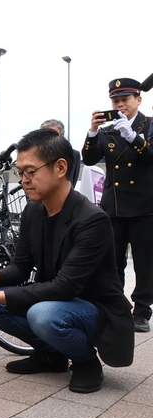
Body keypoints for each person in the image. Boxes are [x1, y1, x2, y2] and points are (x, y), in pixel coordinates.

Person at [0, 128, 134, 394]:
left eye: (31, 171)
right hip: (57, 301)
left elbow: (65, 287)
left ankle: (86, 362)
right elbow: (21, 266)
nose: (24, 180)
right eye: (20, 173)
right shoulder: (33, 210)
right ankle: (51, 355)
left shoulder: (92, 220)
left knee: (42, 314)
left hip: (96, 310)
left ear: (60, 167)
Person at [81, 78, 153, 333]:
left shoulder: (149, 125)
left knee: (145, 263)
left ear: (138, 100)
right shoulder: (108, 131)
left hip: (145, 206)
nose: (120, 104)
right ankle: (115, 307)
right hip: (114, 207)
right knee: (112, 261)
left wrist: (132, 137)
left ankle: (142, 311)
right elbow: (89, 158)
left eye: (125, 99)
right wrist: (92, 131)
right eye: (115, 101)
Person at [40, 119, 81, 189]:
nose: (50, 139)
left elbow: (72, 182)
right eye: (46, 135)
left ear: (62, 136)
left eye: (54, 135)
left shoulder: (74, 155)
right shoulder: (35, 156)